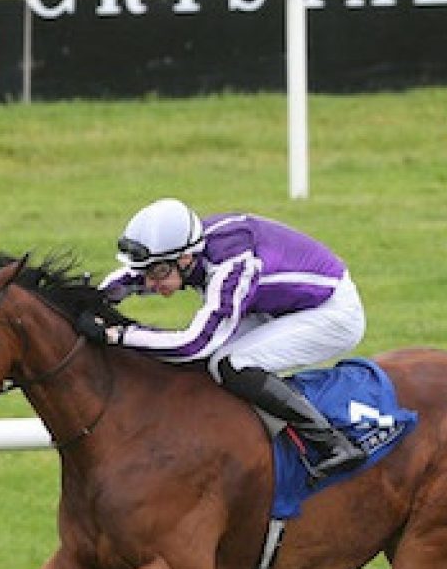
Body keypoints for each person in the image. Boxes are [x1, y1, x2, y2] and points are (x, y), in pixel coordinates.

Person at [88, 197, 367, 478]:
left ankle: (332, 443)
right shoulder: (188, 250)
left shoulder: (230, 268)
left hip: (331, 312)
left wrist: (118, 335)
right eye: (147, 272)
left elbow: (192, 344)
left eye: (158, 272)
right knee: (209, 364)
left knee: (229, 364)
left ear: (185, 260)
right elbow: (132, 275)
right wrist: (94, 298)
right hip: (272, 305)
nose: (149, 283)